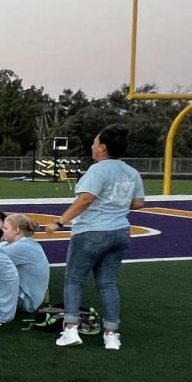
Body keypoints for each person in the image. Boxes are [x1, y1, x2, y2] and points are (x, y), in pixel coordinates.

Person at [44, 124, 144, 350]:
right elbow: (138, 203)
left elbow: (86, 199)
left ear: (103, 148)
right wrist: (115, 203)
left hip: (91, 231)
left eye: (95, 142)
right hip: (120, 231)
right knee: (108, 283)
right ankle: (111, 334)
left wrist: (60, 221)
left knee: (74, 279)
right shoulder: (132, 172)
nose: (92, 146)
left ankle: (70, 329)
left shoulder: (98, 170)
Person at [1, 213, 50, 313]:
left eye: (5, 228)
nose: (2, 231)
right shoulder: (22, 244)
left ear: (16, 230)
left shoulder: (24, 247)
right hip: (29, 297)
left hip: (28, 302)